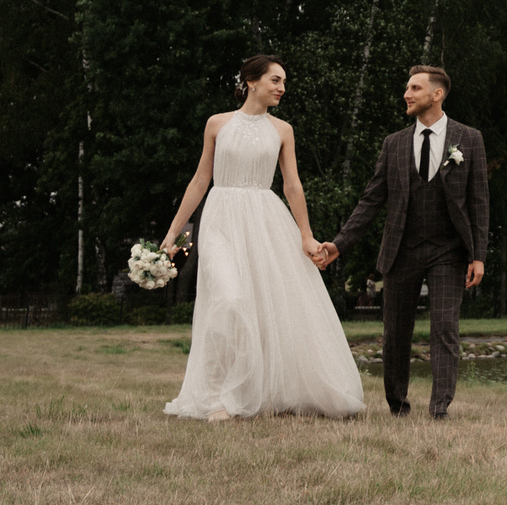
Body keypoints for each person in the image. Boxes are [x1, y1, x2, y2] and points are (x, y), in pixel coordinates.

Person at [160, 56, 365, 420]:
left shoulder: (283, 130)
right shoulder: (217, 124)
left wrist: (306, 235)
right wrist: (173, 232)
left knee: (263, 306)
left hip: (265, 220)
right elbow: (199, 180)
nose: (282, 88)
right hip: (221, 218)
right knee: (229, 299)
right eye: (275, 80)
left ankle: (246, 395)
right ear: (251, 81)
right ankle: (220, 394)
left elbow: (292, 185)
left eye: (284, 81)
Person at [319, 66, 490, 419]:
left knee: (445, 328)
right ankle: (398, 405)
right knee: (395, 332)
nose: (406, 94)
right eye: (407, 88)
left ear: (437, 94)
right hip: (401, 250)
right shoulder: (394, 144)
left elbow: (479, 202)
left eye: (414, 88)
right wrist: (340, 243)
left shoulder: (469, 138)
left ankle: (439, 409)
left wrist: (479, 255)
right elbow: (370, 201)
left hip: (449, 251)